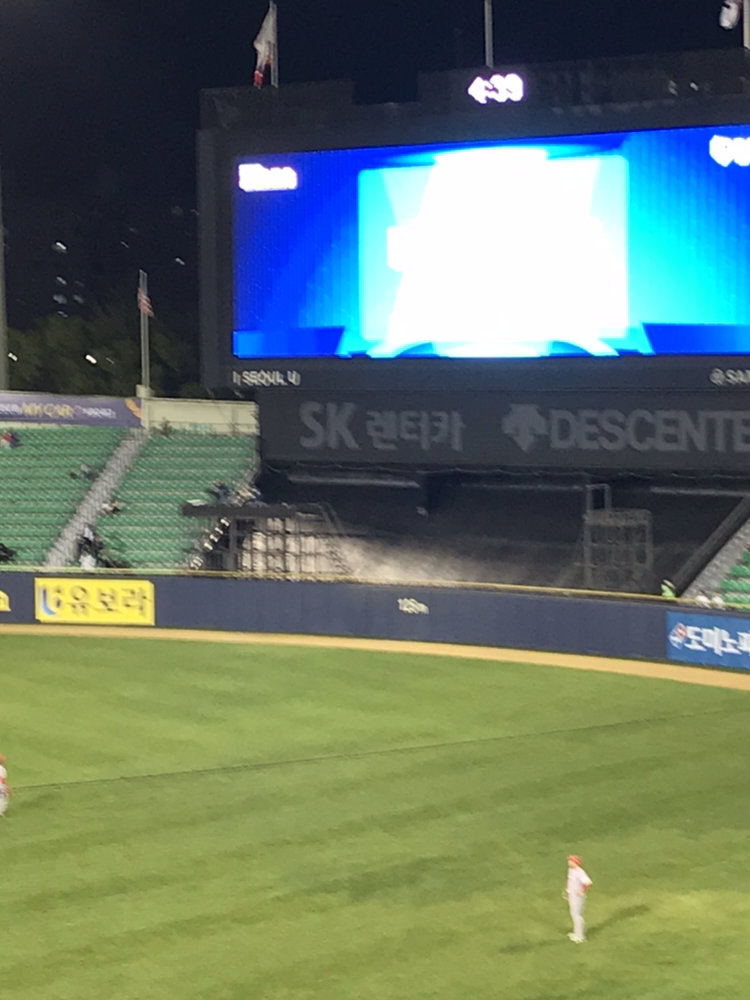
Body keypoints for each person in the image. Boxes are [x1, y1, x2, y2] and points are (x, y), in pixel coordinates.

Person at [563, 854, 592, 943]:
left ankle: (580, 936)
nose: (569, 862)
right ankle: (576, 933)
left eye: (570, 861)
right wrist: (566, 890)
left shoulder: (580, 872)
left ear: (575, 863)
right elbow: (570, 881)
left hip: (577, 897)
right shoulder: (571, 870)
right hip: (571, 895)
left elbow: (588, 883)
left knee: (577, 915)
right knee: (573, 914)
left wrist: (581, 890)